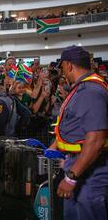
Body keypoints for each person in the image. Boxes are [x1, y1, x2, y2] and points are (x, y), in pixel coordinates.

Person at [49, 45, 108, 220]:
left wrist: (71, 177)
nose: (62, 73)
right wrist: (57, 147)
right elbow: (76, 126)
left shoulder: (90, 91)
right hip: (80, 166)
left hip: (90, 171)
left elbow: (96, 140)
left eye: (62, 68)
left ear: (69, 65)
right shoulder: (83, 87)